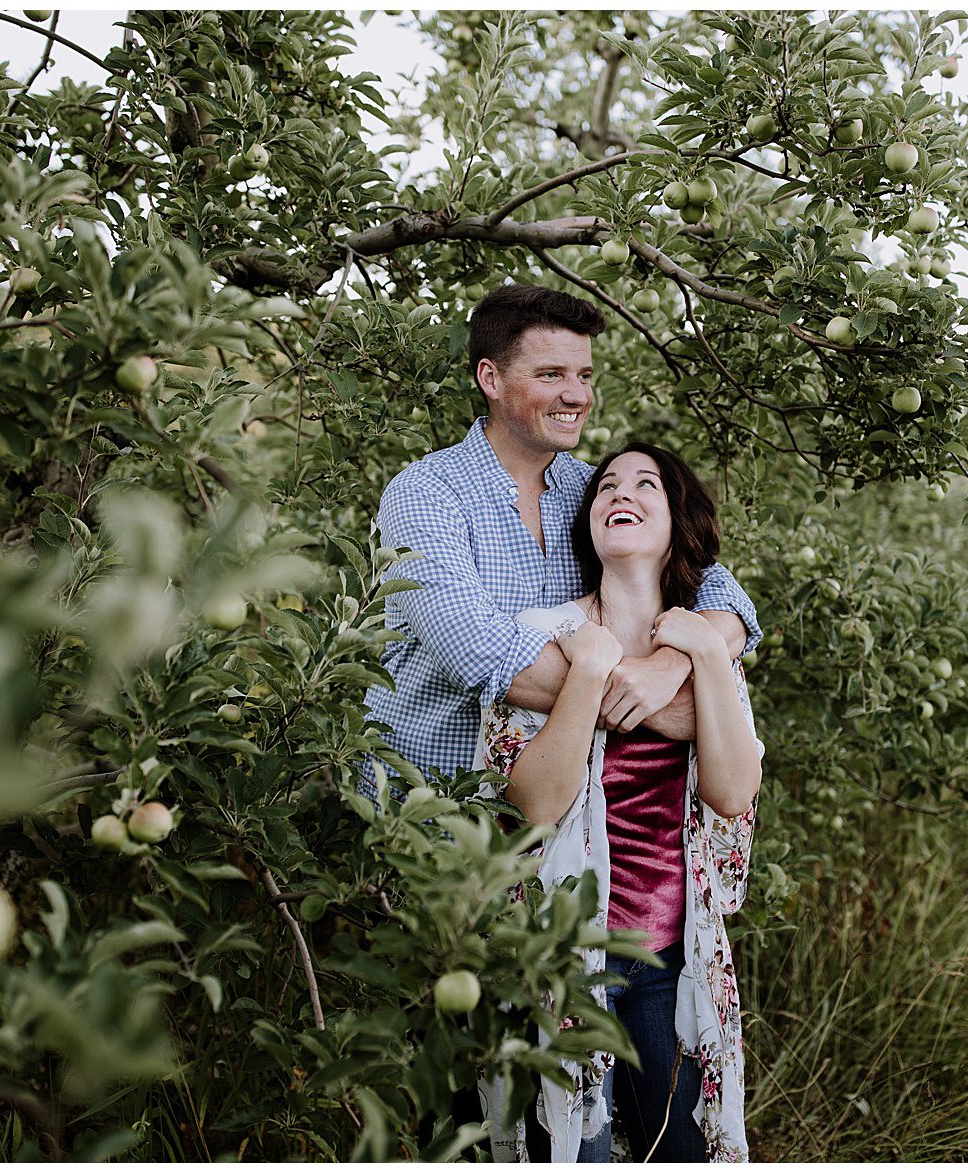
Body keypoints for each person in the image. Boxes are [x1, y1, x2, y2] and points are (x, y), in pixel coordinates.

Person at [477, 442, 760, 1163]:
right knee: (578, 1149)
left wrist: (701, 649)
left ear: (677, 522)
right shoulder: (543, 637)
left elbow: (731, 790)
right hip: (563, 961)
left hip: (669, 958)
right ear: (591, 520)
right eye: (605, 484)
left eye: (644, 484)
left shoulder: (705, 643)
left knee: (680, 1150)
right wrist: (591, 667)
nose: (618, 492)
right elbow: (534, 806)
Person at [361, 284, 759, 795]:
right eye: (551, 375)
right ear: (492, 378)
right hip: (430, 810)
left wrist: (670, 667)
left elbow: (714, 586)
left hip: (561, 837)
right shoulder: (426, 494)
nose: (577, 395)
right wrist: (670, 706)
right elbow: (479, 655)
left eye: (585, 375)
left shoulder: (597, 492)